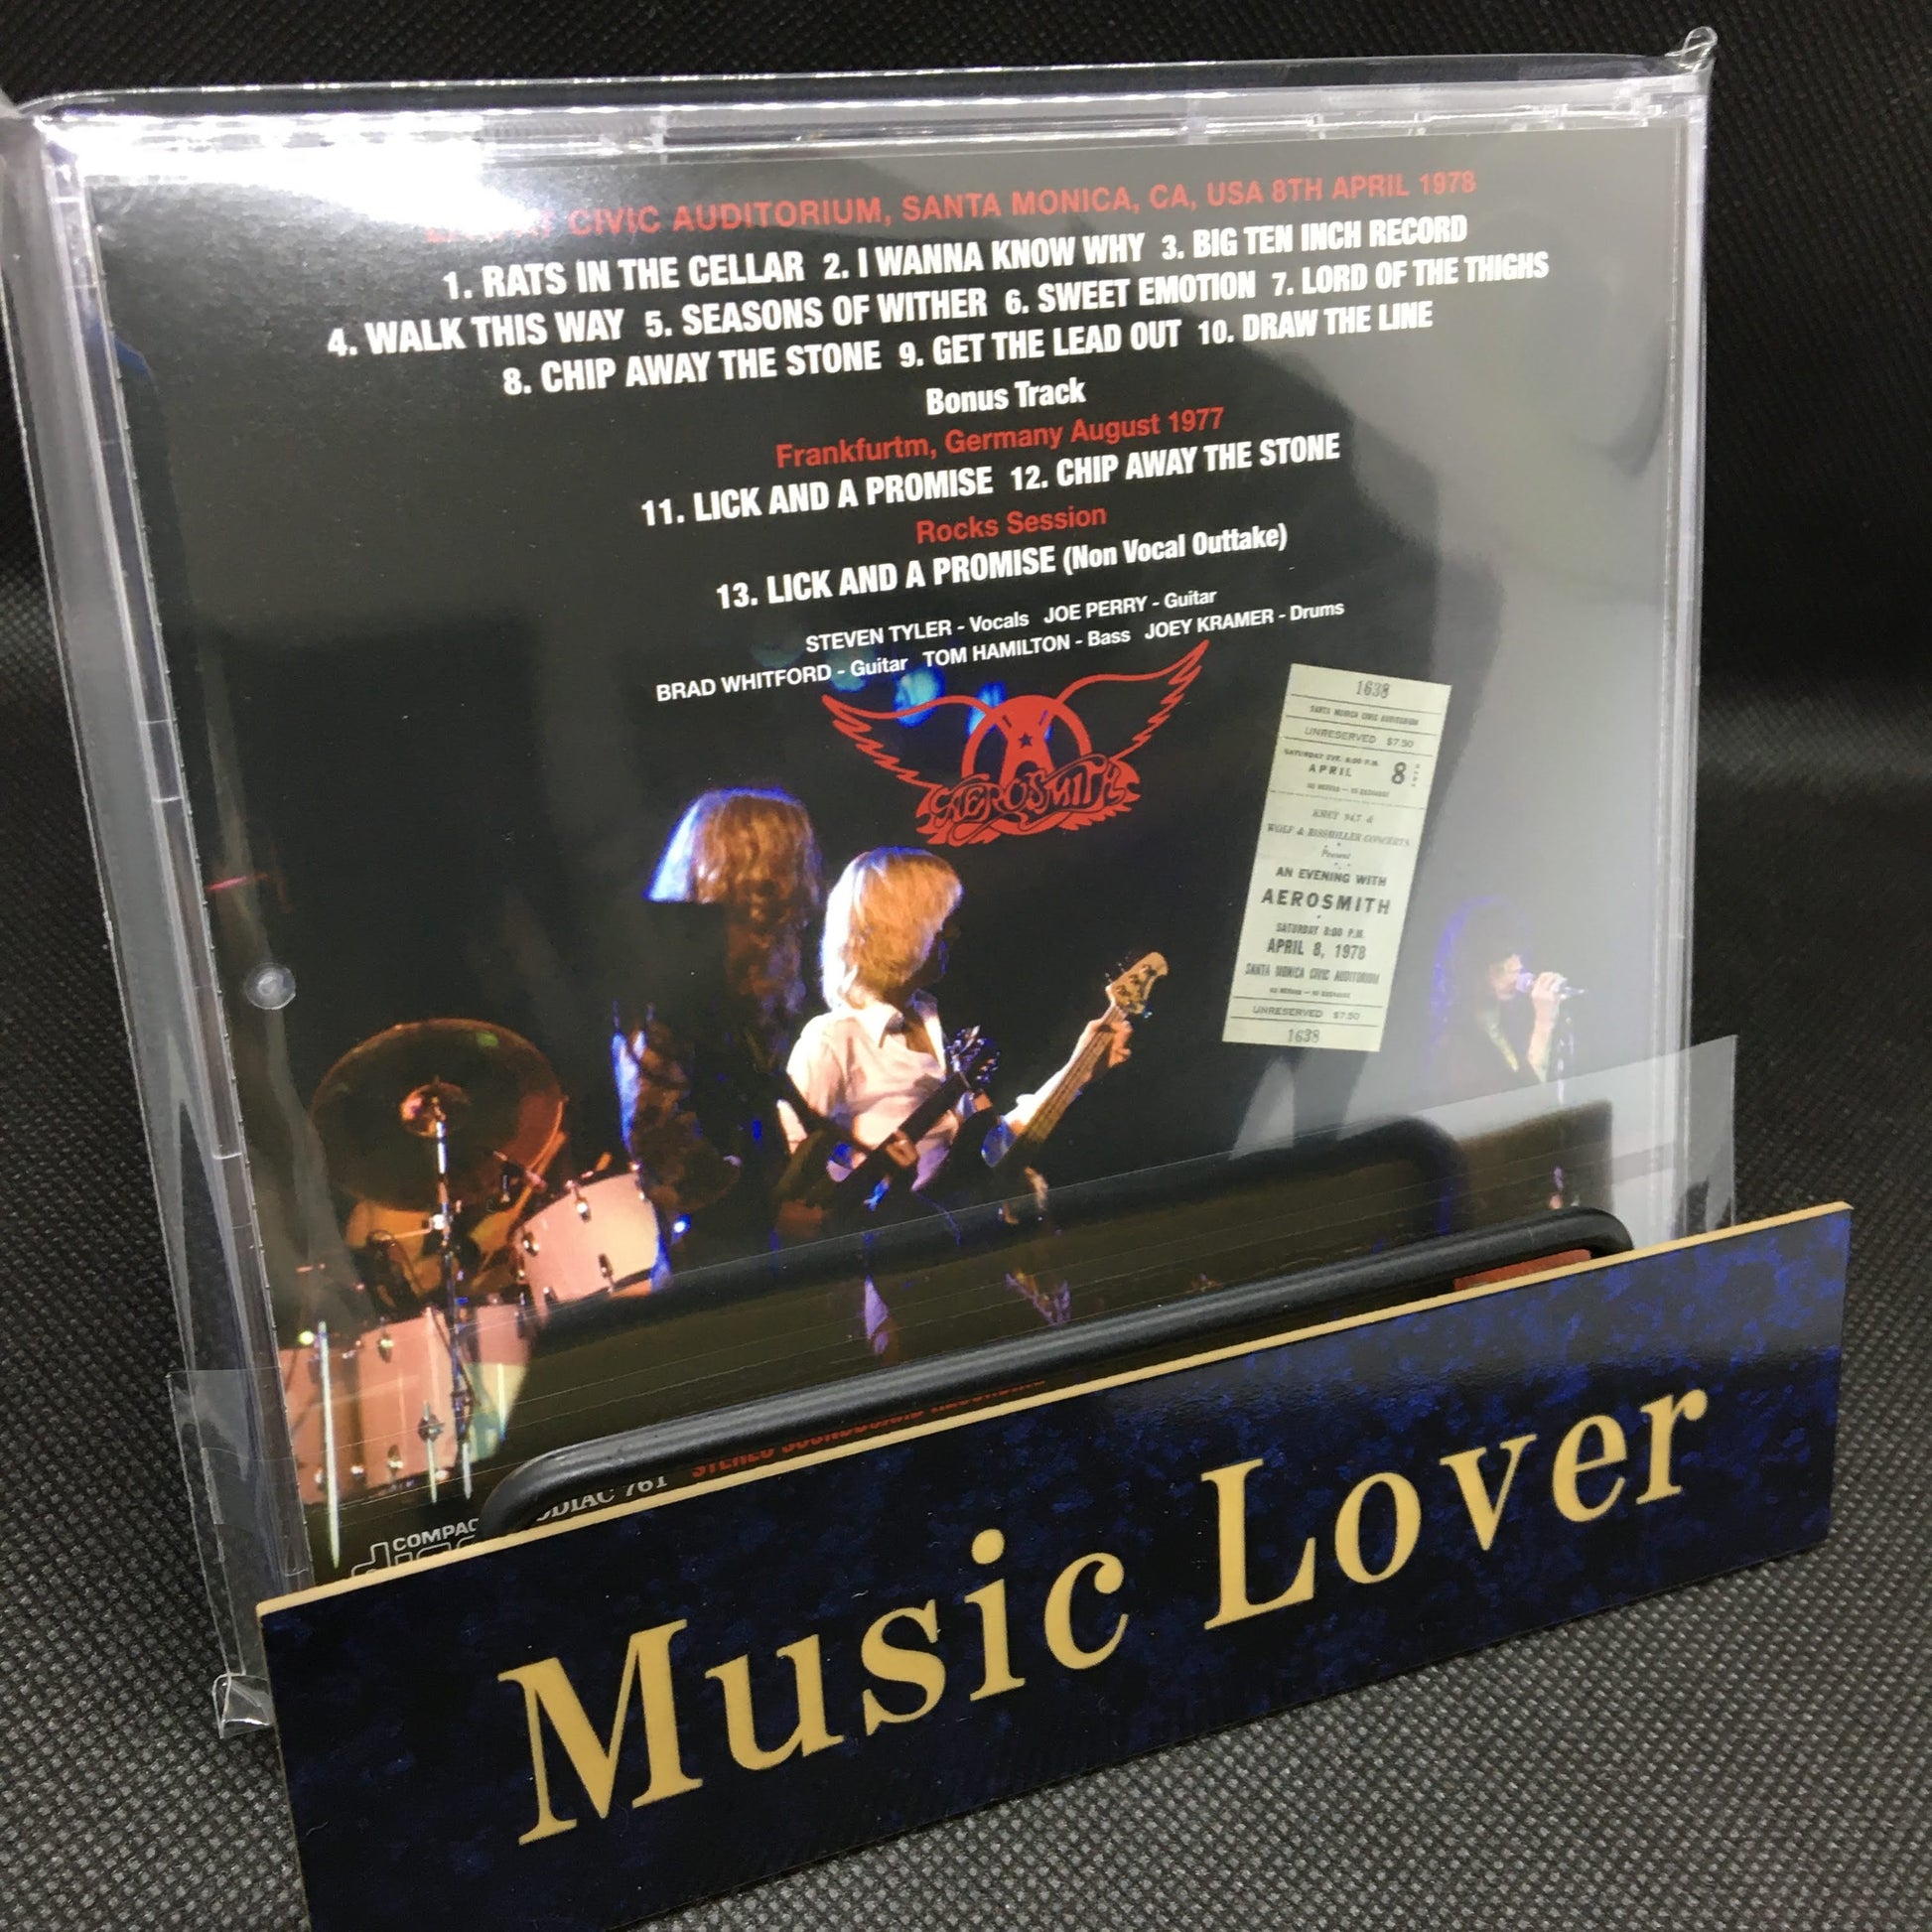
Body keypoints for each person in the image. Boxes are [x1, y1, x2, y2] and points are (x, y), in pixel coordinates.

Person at [778, 848, 1130, 1231]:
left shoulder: (933, 1021)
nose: (954, 932)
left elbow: (994, 1150)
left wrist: (1080, 1070)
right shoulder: (833, 1040)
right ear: (904, 927)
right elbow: (787, 1179)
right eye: (942, 921)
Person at [614, 788, 823, 1257]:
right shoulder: (668, 983)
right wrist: (763, 1217)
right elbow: (656, 1137)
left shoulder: (749, 974)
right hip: (712, 1252)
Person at [1427, 897, 1568, 1104]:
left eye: (1517, 953)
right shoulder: (1453, 1046)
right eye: (1504, 955)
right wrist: (1544, 1024)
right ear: (1472, 964)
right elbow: (1520, 1108)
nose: (1517, 965)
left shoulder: (1511, 1022)